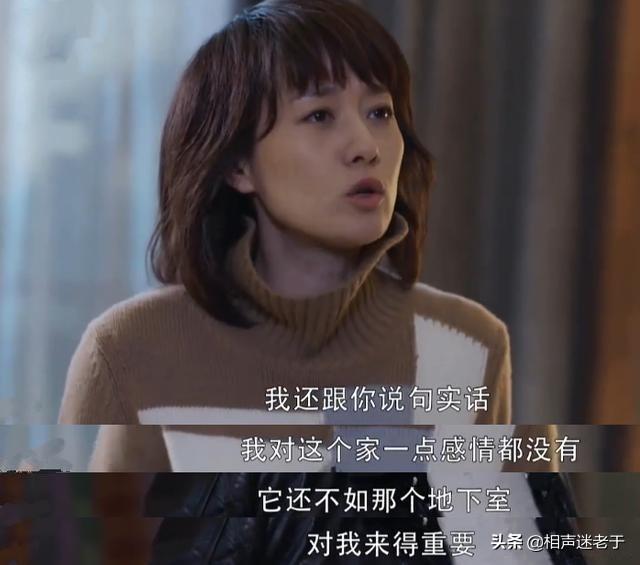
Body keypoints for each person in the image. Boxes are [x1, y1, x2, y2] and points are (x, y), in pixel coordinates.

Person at [59, 0, 575, 562]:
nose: (366, 147)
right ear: (238, 167)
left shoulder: (469, 344)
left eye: (380, 112)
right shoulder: (130, 352)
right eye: (320, 116)